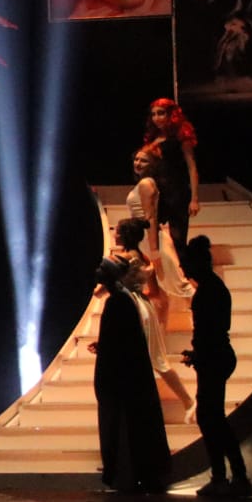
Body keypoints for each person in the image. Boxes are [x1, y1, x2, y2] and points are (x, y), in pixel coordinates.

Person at [181, 236, 252, 497]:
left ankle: (228, 476)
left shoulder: (207, 292)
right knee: (213, 418)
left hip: (213, 358)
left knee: (212, 419)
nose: (183, 269)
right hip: (216, 356)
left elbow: (208, 332)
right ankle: (231, 475)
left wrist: (199, 354)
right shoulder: (214, 288)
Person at [90, 256, 170, 493]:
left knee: (125, 429)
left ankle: (130, 476)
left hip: (122, 379)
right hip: (126, 376)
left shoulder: (119, 301)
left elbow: (122, 343)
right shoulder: (122, 300)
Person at [107, 218, 195, 421]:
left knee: (133, 359)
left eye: (117, 231)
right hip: (144, 307)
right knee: (157, 359)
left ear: (125, 235)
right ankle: (187, 401)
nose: (114, 234)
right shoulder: (145, 258)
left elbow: (100, 291)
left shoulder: (119, 260)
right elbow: (154, 292)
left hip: (128, 308)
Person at [125, 145, 193, 320]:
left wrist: (154, 250)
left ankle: (207, 315)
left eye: (144, 161)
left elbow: (151, 218)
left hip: (153, 239)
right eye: (136, 159)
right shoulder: (144, 183)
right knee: (158, 288)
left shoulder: (146, 184)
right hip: (144, 239)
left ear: (153, 165)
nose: (138, 163)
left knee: (180, 284)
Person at [143, 98, 199, 259]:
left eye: (161, 113)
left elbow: (192, 167)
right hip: (156, 192)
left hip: (177, 192)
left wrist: (194, 199)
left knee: (178, 238)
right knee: (152, 234)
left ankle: (182, 270)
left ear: (171, 115)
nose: (156, 118)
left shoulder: (180, 136)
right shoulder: (153, 137)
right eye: (154, 114)